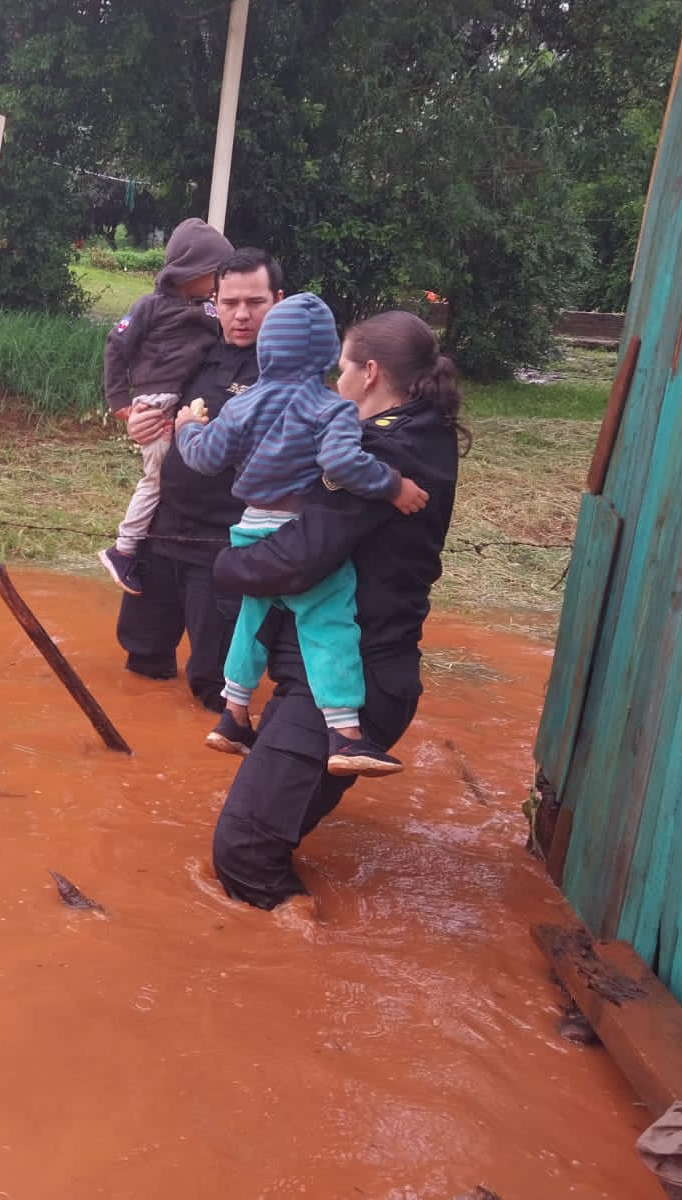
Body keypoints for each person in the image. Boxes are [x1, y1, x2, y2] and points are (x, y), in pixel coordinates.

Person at [206, 310, 466, 909]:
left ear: (369, 373)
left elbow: (294, 559)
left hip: (352, 681)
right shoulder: (425, 431)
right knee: (264, 826)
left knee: (243, 853)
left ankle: (303, 958)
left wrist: (221, 565)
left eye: (341, 370)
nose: (333, 385)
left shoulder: (377, 454)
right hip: (348, 675)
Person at [172, 293, 429, 776]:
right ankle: (346, 735)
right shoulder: (331, 409)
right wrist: (392, 485)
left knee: (252, 623)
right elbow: (341, 463)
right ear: (325, 353)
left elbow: (204, 457)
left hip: (248, 529)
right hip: (295, 533)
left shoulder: (241, 405)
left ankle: (232, 717)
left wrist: (186, 427)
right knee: (329, 625)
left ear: (267, 346)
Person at [115, 248, 284, 711]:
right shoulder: (198, 348)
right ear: (215, 302)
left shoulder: (289, 374)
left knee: (214, 685)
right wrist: (138, 421)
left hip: (227, 545)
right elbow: (152, 392)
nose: (242, 315)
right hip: (164, 530)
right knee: (143, 660)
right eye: (229, 303)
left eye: (255, 302)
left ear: (279, 301)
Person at [97, 218, 236, 595]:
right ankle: (123, 549)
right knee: (157, 479)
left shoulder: (209, 311)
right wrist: (119, 401)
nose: (219, 282)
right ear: (190, 271)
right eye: (215, 274)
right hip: (155, 402)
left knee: (171, 470)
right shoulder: (149, 306)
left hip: (179, 404)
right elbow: (116, 345)